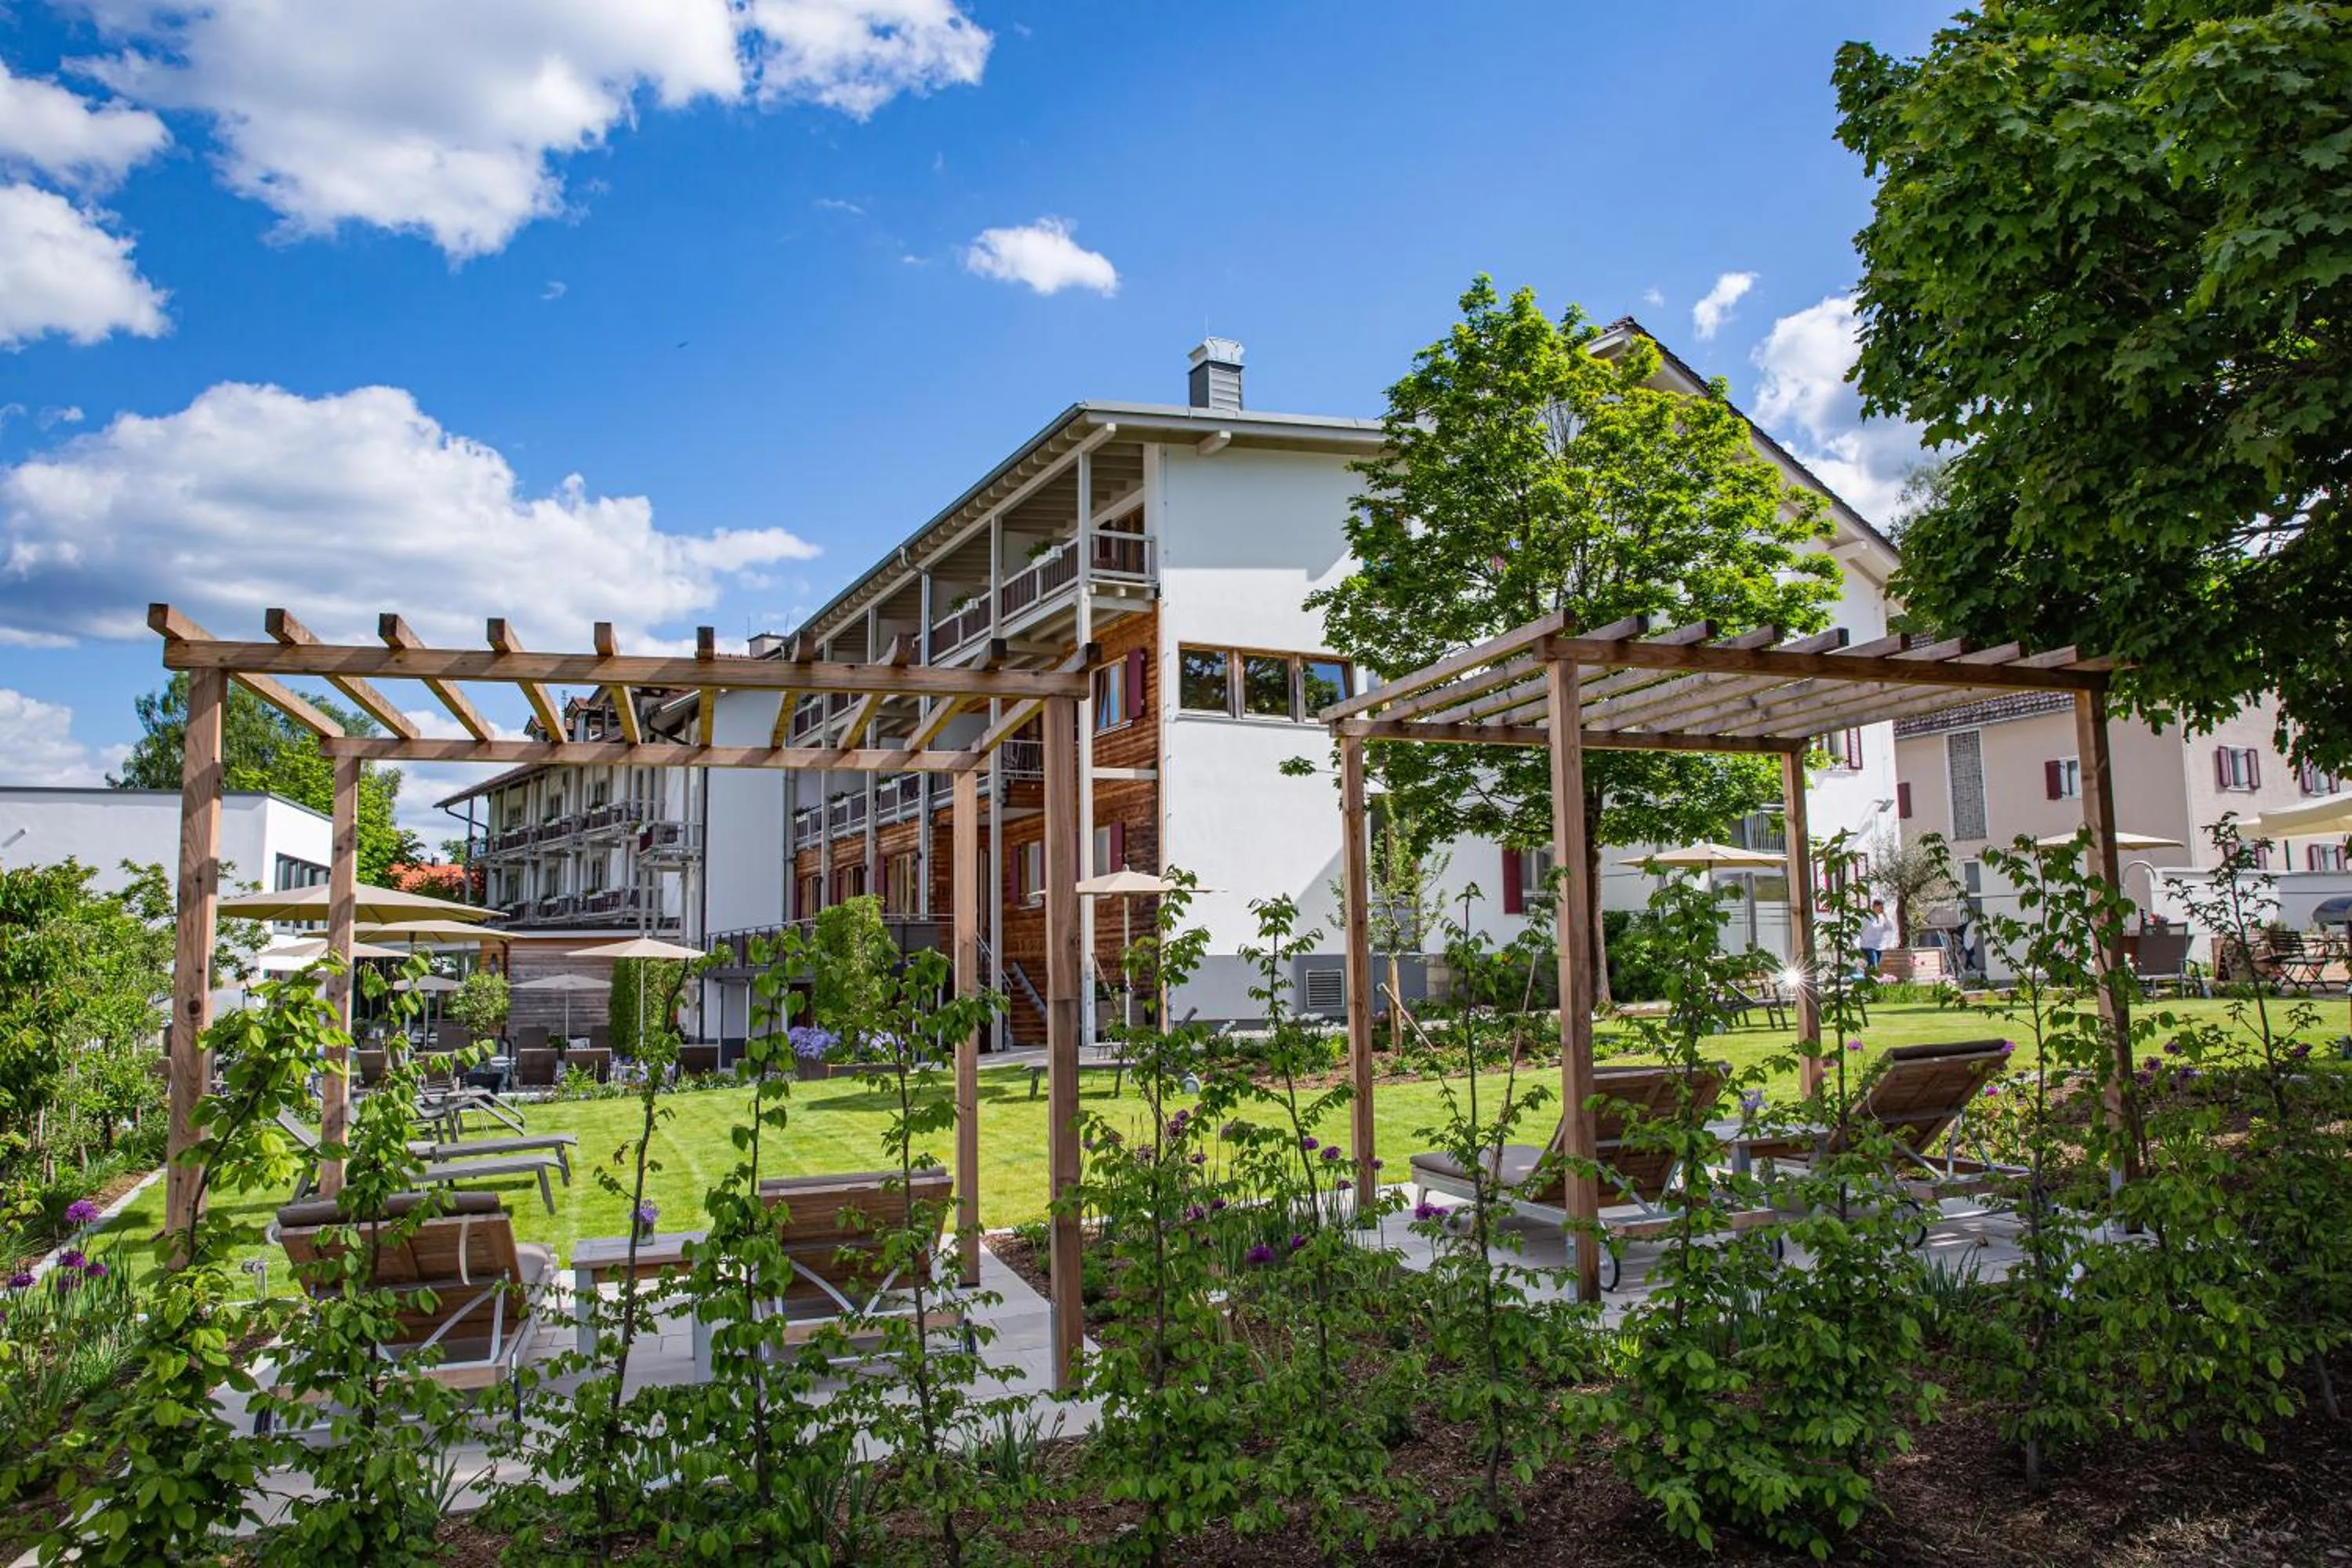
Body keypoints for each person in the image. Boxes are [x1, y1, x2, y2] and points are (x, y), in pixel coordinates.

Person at [1860, 899, 1899, 974]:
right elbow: (1858, 929)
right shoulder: (1867, 917)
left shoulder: (1882, 918)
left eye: (1883, 907)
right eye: (1881, 907)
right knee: (1874, 965)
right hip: (1867, 946)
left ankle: (1868, 981)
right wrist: (1851, 940)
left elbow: (1890, 928)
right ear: (1875, 907)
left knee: (1873, 965)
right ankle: (1871, 981)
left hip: (1879, 946)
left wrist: (1886, 916)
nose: (1882, 909)